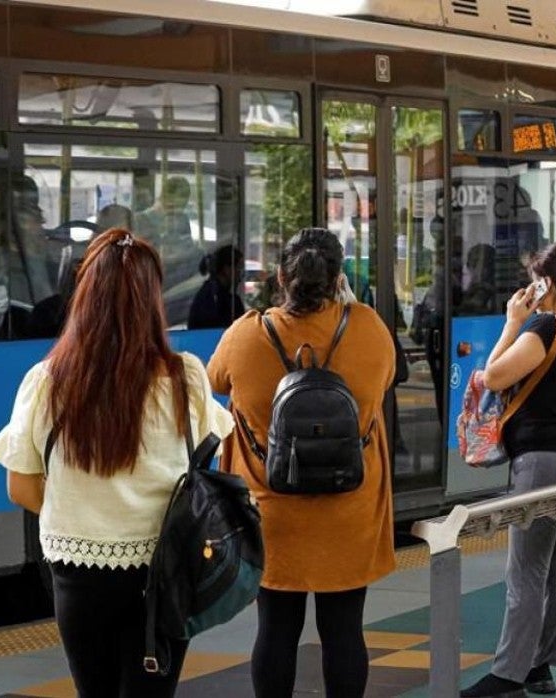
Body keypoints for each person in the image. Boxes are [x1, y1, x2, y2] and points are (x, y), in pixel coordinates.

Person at [0, 228, 234, 697]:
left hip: (77, 569)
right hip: (165, 572)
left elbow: (19, 488)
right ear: (153, 299)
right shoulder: (184, 376)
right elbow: (207, 462)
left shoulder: (48, 381)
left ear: (85, 295)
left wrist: (85, 512)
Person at [207, 229, 398, 698]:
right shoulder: (368, 327)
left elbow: (215, 380)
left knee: (275, 631)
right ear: (339, 281)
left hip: (273, 515)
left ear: (279, 278)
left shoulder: (247, 334)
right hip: (350, 511)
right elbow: (388, 380)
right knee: (345, 633)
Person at [461, 242, 556, 698]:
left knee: (527, 571)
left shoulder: (546, 326)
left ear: (545, 282)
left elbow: (494, 376)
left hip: (542, 460)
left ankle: (508, 674)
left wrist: (512, 323)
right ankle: (540, 666)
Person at [188, 245, 246, 329]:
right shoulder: (217, 299)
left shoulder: (207, 293)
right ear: (227, 269)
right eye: (239, 268)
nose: (241, 274)